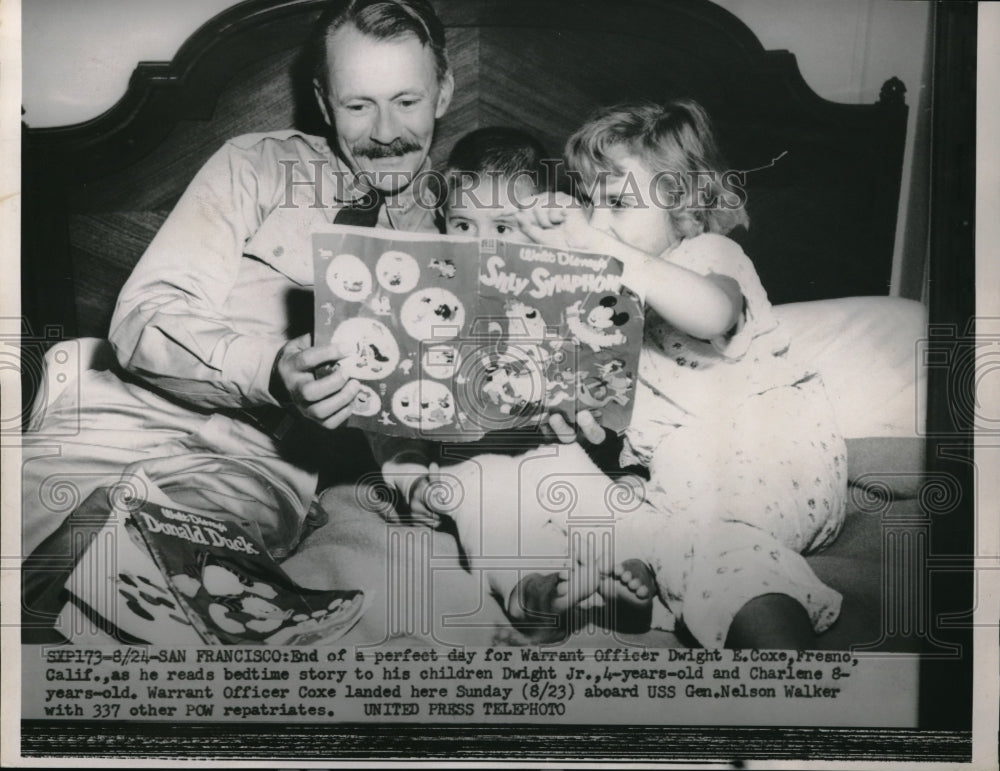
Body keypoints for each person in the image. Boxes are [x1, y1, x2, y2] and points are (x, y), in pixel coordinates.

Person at [21, 0, 454, 567]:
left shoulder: (459, 237)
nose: (386, 133)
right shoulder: (255, 167)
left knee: (161, 571)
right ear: (325, 103)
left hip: (259, 464)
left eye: (406, 101)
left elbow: (413, 406)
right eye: (358, 105)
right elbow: (141, 317)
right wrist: (271, 369)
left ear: (443, 93)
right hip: (129, 415)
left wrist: (412, 476)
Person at [510, 99, 848, 649]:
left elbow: (712, 313)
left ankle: (789, 681)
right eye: (589, 204)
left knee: (721, 549)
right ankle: (615, 586)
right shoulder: (610, 296)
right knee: (580, 498)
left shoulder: (708, 252)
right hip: (686, 479)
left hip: (770, 453)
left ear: (684, 205)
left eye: (616, 203)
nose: (597, 221)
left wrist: (599, 246)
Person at [368, 127, 660, 640]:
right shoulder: (422, 301)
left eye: (503, 226)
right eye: (462, 223)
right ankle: (533, 595)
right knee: (490, 514)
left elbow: (603, 401)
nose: (480, 242)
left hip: (552, 449)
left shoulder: (559, 297)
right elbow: (390, 420)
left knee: (602, 500)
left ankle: (631, 580)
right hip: (466, 459)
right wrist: (412, 482)